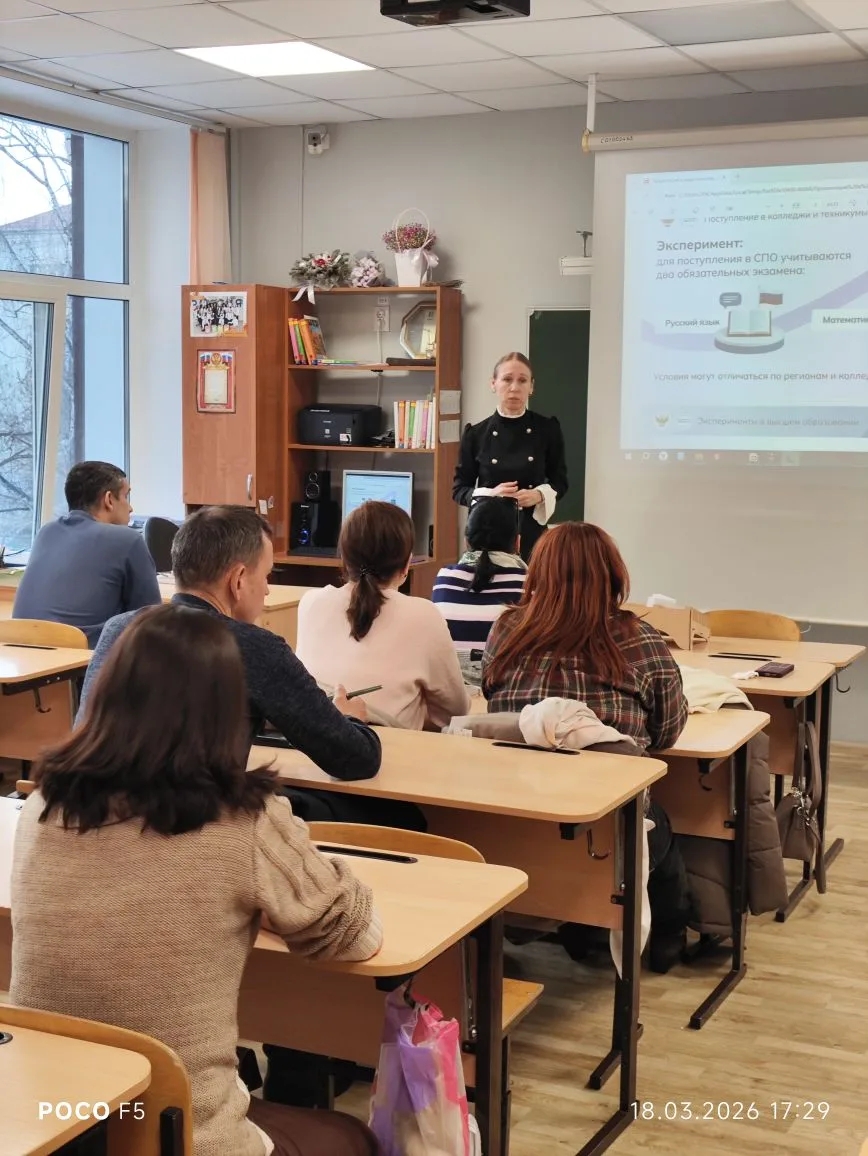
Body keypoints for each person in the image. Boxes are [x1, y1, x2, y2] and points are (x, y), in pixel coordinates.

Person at [11, 605, 381, 1156]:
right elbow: (357, 937)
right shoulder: (242, 819)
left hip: (55, 1124)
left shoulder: (43, 805)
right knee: (350, 1137)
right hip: (180, 1132)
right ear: (226, 708)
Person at [482, 521, 690, 970]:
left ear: (538, 573)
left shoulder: (507, 629)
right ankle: (667, 938)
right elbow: (669, 732)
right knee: (659, 823)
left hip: (510, 818)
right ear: (613, 576)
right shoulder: (641, 640)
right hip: (606, 830)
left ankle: (569, 925)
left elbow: (490, 698)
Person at [79, 505, 382, 801]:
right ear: (238, 580)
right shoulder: (254, 648)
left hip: (90, 813)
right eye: (266, 576)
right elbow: (356, 759)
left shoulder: (117, 629)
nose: (267, 590)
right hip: (191, 824)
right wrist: (348, 718)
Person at [296, 501, 470, 731]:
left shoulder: (310, 603)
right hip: (387, 748)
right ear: (406, 564)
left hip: (314, 743)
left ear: (344, 559)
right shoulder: (424, 615)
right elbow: (454, 712)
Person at [13, 460, 160, 646]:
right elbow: (152, 619)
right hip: (84, 657)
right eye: (125, 496)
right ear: (109, 500)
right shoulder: (128, 539)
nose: (130, 508)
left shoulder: (46, 532)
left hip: (22, 652)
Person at [452, 352, 568, 561]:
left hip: (532, 533)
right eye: (507, 379)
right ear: (493, 384)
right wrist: (490, 494)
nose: (514, 388)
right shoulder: (476, 434)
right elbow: (459, 489)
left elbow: (560, 482)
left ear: (531, 387)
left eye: (522, 380)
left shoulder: (548, 429)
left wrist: (539, 495)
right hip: (486, 534)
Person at [431, 496, 526, 681]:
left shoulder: (444, 578)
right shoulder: (530, 584)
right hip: (507, 688)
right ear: (517, 542)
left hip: (455, 687)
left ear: (466, 541)